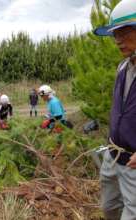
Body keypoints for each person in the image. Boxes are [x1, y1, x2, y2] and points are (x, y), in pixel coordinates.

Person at [94, 0, 136, 219]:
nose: (118, 40)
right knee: (110, 206)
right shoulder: (123, 66)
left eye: (125, 32)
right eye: (115, 34)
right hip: (112, 154)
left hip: (133, 164)